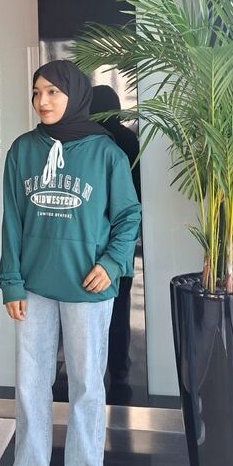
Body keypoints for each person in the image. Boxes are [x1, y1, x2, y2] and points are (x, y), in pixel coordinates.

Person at [0, 60, 142, 466]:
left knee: (86, 387)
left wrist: (111, 263)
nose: (42, 101)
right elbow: (12, 219)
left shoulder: (106, 153)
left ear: (74, 95)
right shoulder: (22, 150)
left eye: (53, 92)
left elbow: (128, 216)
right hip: (34, 287)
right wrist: (11, 280)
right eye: (37, 92)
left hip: (87, 289)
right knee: (30, 387)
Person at [90, 85, 142, 387]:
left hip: (94, 233)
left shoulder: (90, 143)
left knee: (89, 303)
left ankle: (93, 366)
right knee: (120, 301)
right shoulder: (128, 139)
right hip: (123, 232)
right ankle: (119, 367)